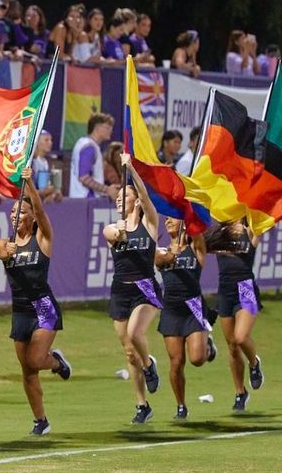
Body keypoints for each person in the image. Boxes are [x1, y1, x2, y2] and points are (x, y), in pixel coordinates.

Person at [0, 169, 71, 435]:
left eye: (22, 212)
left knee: (36, 359)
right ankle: (40, 420)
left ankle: (57, 362)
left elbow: (40, 210)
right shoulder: (5, 242)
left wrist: (28, 183)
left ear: (32, 217)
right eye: (13, 211)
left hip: (43, 308)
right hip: (20, 311)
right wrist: (6, 252)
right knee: (27, 370)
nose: (16, 215)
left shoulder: (42, 238)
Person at [102, 152, 163, 424]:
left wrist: (131, 169)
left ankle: (149, 365)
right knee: (129, 351)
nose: (119, 199)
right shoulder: (112, 227)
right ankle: (142, 405)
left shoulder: (149, 223)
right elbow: (111, 235)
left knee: (135, 332)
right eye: (117, 196)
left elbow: (146, 197)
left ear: (135, 201)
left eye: (124, 195)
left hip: (145, 287)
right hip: (120, 290)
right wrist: (119, 232)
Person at [156, 217, 217, 420]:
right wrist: (172, 254)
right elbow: (160, 260)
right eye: (166, 219)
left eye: (172, 218)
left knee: (197, 359)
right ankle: (181, 406)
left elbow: (197, 233)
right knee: (176, 362)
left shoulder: (196, 248)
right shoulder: (161, 251)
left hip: (193, 308)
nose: (167, 221)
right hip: (172, 310)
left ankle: (208, 347)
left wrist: (188, 213)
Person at [205, 219, 265, 413]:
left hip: (245, 289)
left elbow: (267, 218)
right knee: (232, 346)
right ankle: (240, 392)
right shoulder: (220, 231)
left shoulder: (251, 229)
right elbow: (201, 243)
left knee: (240, 337)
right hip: (225, 290)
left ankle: (254, 363)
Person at [69, 113, 117, 200]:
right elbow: (84, 178)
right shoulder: (89, 147)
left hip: (83, 199)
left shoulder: (87, 144)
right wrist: (107, 190)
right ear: (97, 128)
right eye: (107, 127)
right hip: (86, 200)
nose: (111, 131)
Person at [31, 131, 62, 202]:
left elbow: (55, 187)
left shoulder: (50, 162)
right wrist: (44, 192)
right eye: (46, 140)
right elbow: (27, 190)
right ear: (37, 143)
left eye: (51, 140)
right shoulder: (30, 163)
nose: (50, 143)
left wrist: (56, 193)